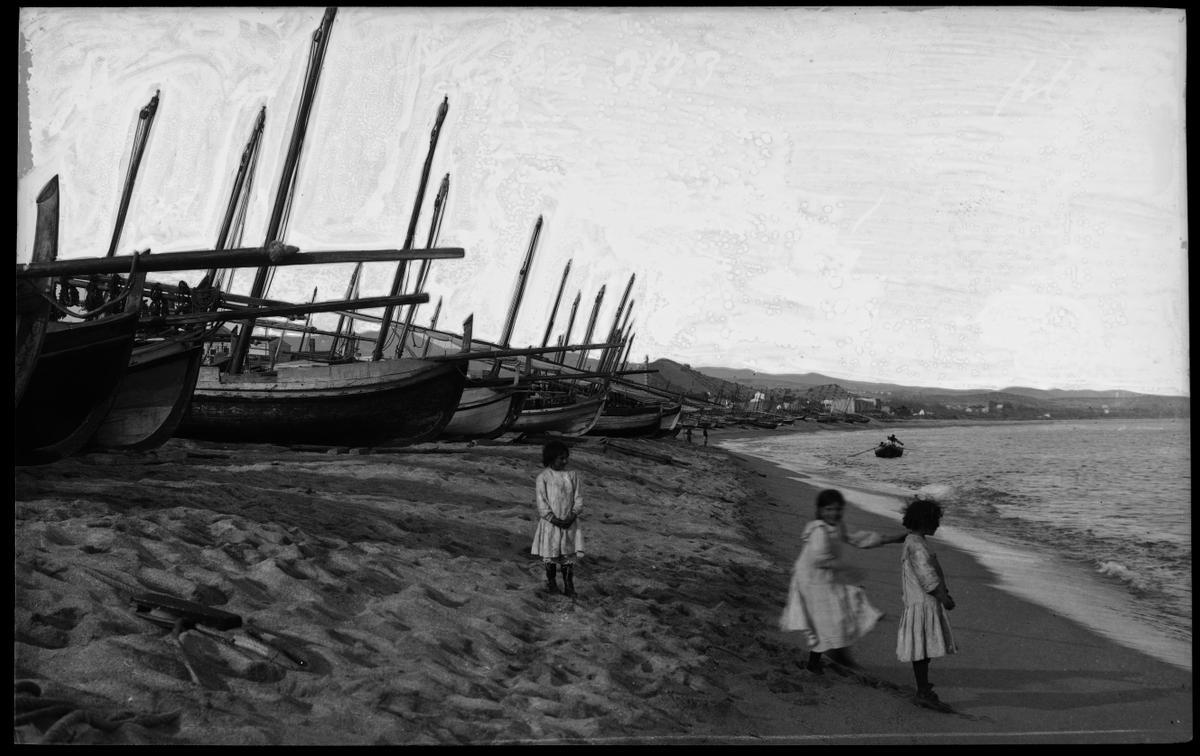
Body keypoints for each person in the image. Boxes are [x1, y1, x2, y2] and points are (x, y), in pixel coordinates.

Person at [780, 489, 906, 674]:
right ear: (820, 511)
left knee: (835, 616)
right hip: (811, 580)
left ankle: (836, 654)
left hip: (825, 577)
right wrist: (847, 570)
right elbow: (820, 558)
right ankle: (819, 662)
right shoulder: (818, 530)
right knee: (825, 620)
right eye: (829, 509)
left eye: (838, 509)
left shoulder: (837, 525)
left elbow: (856, 539)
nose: (834, 513)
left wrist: (892, 539)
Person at [896, 496, 957, 710]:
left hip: (917, 601)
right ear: (924, 522)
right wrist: (944, 598)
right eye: (935, 521)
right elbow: (927, 577)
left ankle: (923, 687)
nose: (938, 525)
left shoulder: (913, 540)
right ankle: (923, 690)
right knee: (922, 650)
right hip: (924, 603)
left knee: (922, 649)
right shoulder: (918, 547)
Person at [530, 440, 584, 597]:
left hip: (570, 522)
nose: (565, 461)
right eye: (561, 458)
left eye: (566, 457)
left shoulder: (572, 476)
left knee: (567, 556)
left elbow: (578, 498)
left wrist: (572, 515)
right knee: (551, 554)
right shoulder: (543, 477)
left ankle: (569, 585)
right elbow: (542, 502)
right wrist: (554, 519)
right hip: (550, 524)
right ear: (551, 458)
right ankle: (552, 583)